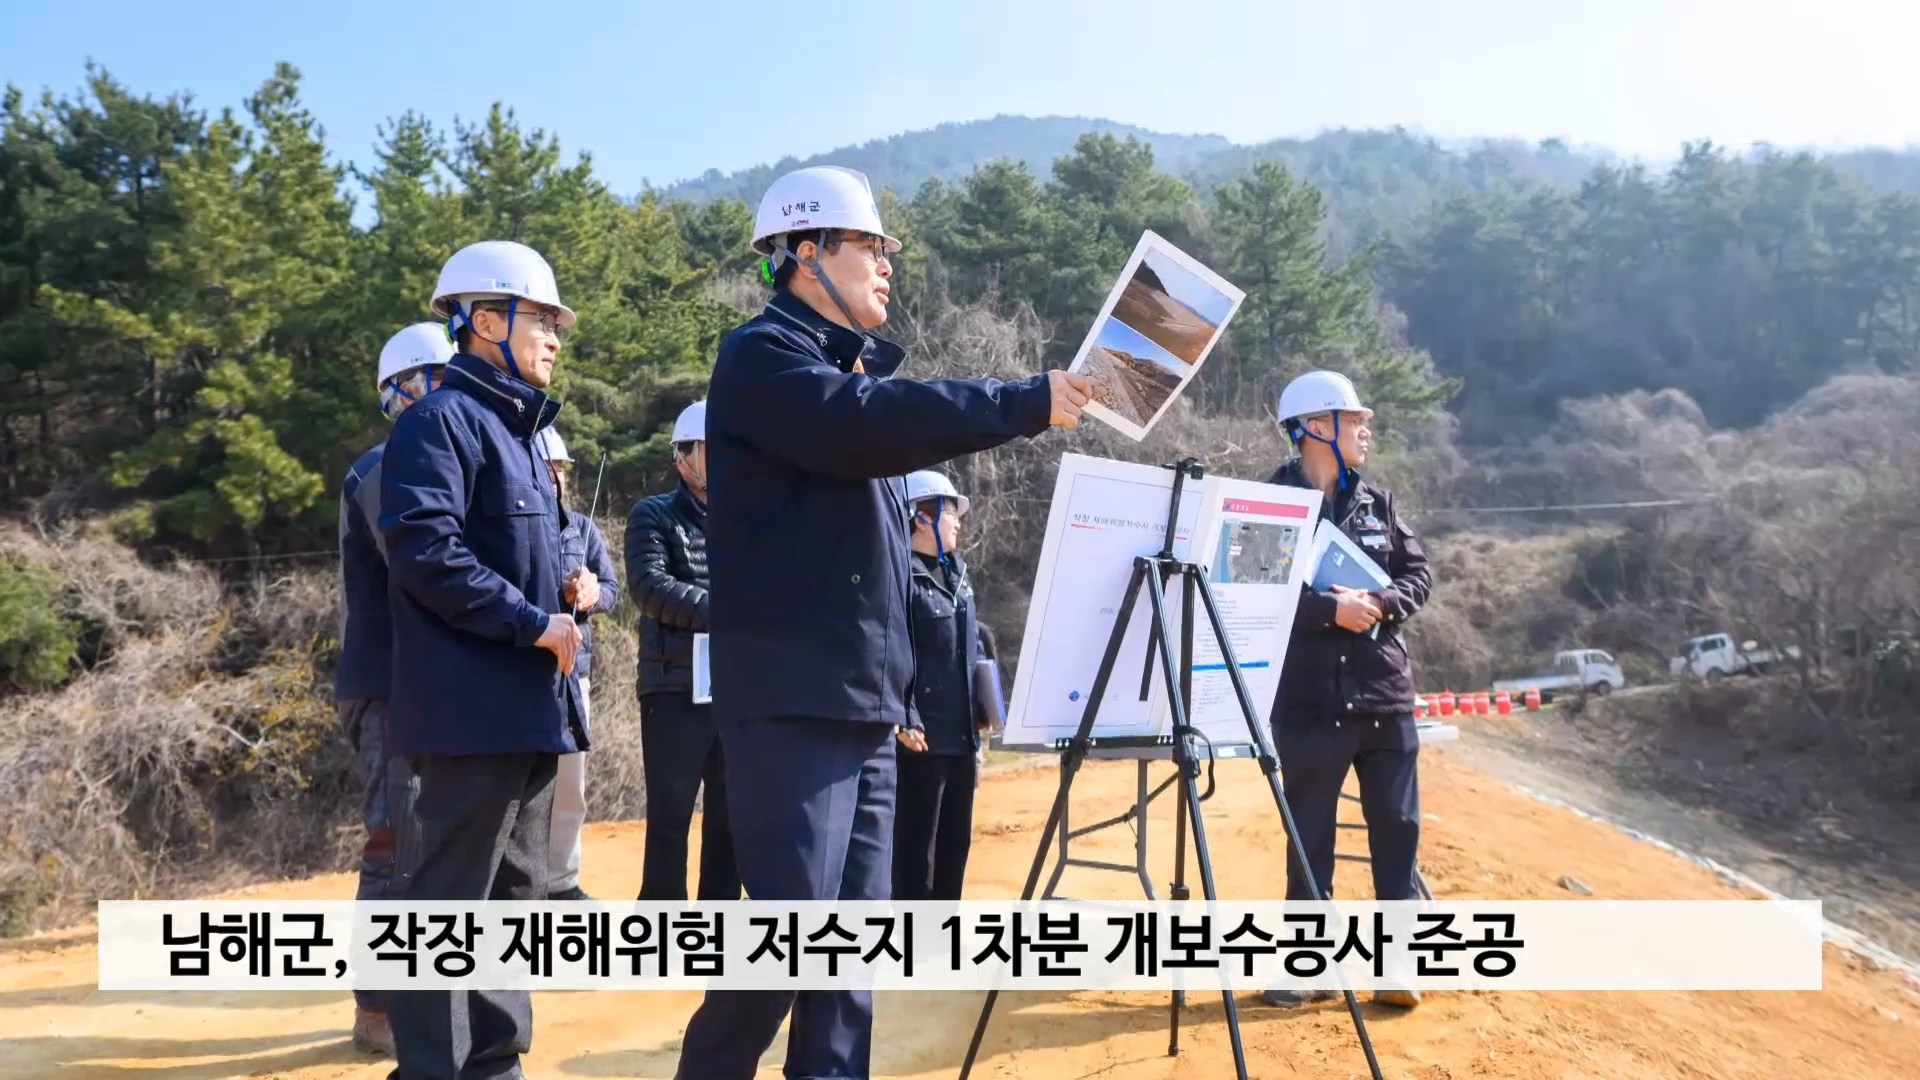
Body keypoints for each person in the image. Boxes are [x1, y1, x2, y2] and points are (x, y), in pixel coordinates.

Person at [673, 164, 1093, 1080]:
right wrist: (1020, 401)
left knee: (851, 956)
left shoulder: (842, 377)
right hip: (793, 706)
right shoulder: (762, 359)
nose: (888, 265)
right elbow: (860, 422)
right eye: (870, 246)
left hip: (861, 707)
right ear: (803, 252)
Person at [378, 239, 586, 1080]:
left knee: (514, 901)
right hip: (470, 713)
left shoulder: (522, 434)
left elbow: (509, 551)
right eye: (541, 319)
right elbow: (427, 553)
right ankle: (432, 1069)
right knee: (449, 905)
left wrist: (563, 587)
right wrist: (532, 621)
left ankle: (496, 1065)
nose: (556, 337)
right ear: (483, 320)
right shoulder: (439, 423)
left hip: (527, 712)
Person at [1259, 370, 1432, 1011]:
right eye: (1352, 418)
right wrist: (1329, 613)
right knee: (1310, 837)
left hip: (1384, 696)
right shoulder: (1264, 506)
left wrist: (1379, 603)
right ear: (1313, 428)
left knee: (1397, 827)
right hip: (1308, 704)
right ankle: (1308, 967)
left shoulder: (1380, 505)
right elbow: (1250, 592)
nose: (1366, 428)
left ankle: (1395, 967)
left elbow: (1419, 575)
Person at [334, 321, 451, 1057]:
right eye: (443, 380)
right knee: (396, 841)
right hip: (390, 686)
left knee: (441, 842)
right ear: (405, 391)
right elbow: (425, 564)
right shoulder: (385, 466)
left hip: (435, 684)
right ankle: (377, 1006)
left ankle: (431, 993)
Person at [627, 399, 740, 902]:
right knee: (671, 815)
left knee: (730, 814)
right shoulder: (653, 514)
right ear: (683, 457)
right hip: (673, 684)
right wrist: (734, 613)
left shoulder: (750, 518)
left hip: (737, 685)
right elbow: (649, 587)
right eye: (713, 450)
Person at [893, 469, 993, 901]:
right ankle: (910, 951)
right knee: (917, 854)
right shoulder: (899, 576)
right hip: (921, 742)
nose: (957, 521)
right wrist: (903, 716)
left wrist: (985, 712)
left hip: (961, 740)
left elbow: (972, 650)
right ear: (921, 516)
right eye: (951, 511)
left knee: (955, 849)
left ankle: (941, 951)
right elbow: (889, 654)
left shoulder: (959, 576)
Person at [535, 426, 620, 902]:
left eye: (559, 469)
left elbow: (611, 589)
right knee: (521, 783)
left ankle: (561, 882)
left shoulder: (583, 529)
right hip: (522, 669)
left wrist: (589, 595)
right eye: (545, 468)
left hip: (573, 674)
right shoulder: (507, 527)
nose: (553, 478)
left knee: (571, 782)